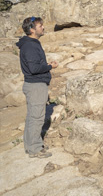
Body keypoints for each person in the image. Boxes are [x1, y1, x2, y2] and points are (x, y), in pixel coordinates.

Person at [17, 16, 58, 159]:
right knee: (37, 118)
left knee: (32, 117)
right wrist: (49, 66)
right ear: (32, 29)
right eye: (40, 26)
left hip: (34, 84)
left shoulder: (30, 43)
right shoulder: (30, 46)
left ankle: (32, 145)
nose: (43, 27)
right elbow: (34, 68)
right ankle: (34, 149)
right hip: (35, 85)